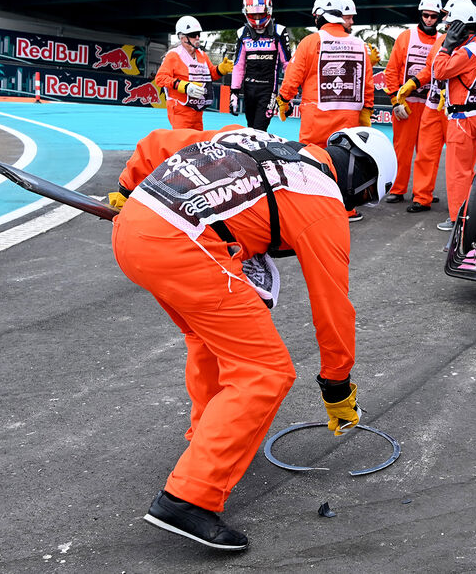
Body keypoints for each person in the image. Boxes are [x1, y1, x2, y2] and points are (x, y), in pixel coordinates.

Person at [111, 124, 397, 551]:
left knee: (208, 338)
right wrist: (337, 385)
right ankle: (188, 499)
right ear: (362, 180)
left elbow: (159, 142)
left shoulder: (253, 136)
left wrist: (125, 188)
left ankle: (209, 439)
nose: (355, 207)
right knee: (265, 372)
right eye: (362, 199)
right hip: (186, 247)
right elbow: (333, 306)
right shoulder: (322, 201)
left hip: (136, 229)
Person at [277, 0, 374, 221]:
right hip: (349, 121)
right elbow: (367, 83)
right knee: (345, 162)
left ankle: (314, 209)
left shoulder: (310, 42)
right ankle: (346, 209)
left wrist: (284, 100)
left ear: (318, 16)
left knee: (312, 162)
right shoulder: (360, 45)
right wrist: (367, 111)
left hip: (316, 119)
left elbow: (293, 77)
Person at [430, 0, 476, 231]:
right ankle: (467, 212)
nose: (447, 29)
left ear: (460, 25)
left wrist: (446, 46)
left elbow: (439, 71)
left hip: (461, 119)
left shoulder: (466, 52)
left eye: (450, 26)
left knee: (458, 173)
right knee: (467, 171)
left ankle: (458, 219)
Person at [381, 0, 442, 203]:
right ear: (420, 14)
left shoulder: (443, 41)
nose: (429, 20)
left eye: (434, 16)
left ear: (439, 18)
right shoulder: (406, 37)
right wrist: (395, 100)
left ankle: (424, 192)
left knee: (428, 152)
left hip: (431, 107)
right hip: (406, 105)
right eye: (425, 15)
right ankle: (398, 189)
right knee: (402, 149)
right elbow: (391, 71)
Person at [154, 16, 234, 130]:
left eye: (198, 34)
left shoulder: (202, 55)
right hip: (180, 109)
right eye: (193, 35)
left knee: (197, 143)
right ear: (182, 38)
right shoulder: (173, 55)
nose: (197, 38)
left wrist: (221, 69)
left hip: (197, 110)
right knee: (183, 142)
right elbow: (160, 78)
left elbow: (210, 74)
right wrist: (184, 86)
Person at [229, 0, 290, 132]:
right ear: (246, 12)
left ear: (268, 10)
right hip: (249, 89)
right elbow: (239, 65)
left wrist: (288, 96)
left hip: (269, 90)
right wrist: (234, 93)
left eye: (260, 13)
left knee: (259, 130)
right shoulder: (242, 33)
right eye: (253, 13)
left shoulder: (279, 32)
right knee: (251, 129)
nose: (256, 18)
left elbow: (287, 64)